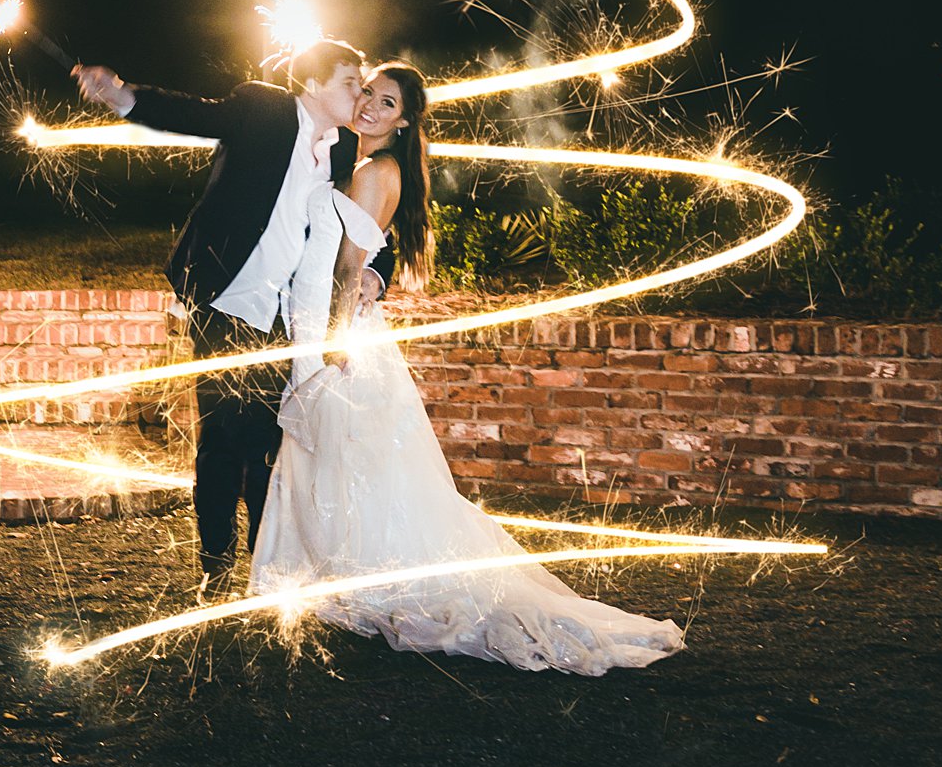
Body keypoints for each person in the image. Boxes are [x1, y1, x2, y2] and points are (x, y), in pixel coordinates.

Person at [249, 62, 685, 674]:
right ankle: (330, 572)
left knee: (355, 462)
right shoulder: (344, 159)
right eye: (368, 93)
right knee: (333, 459)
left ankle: (368, 576)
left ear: (404, 121)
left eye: (388, 102)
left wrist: (336, 342)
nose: (371, 105)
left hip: (334, 333)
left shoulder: (379, 171)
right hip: (312, 325)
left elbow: (349, 267)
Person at [73, 41, 389, 584]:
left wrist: (375, 274)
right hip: (224, 298)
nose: (359, 94)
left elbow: (368, 224)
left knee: (269, 439)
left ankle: (264, 566)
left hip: (285, 315)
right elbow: (190, 114)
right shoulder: (262, 109)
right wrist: (123, 95)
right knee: (221, 435)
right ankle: (214, 564)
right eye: (349, 83)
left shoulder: (342, 152)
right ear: (313, 84)